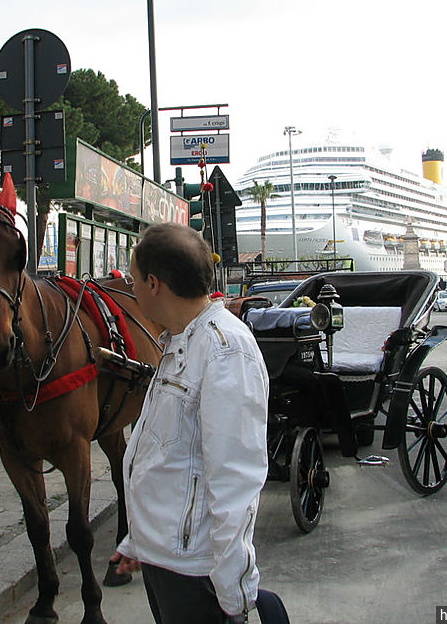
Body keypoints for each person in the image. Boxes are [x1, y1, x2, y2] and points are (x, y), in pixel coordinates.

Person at [111, 223, 269, 624]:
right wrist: (139, 542)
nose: (130, 290)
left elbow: (235, 481)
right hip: (165, 561)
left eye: (133, 280)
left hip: (197, 576)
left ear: (153, 283)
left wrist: (234, 594)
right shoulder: (179, 341)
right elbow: (166, 457)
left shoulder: (224, 350)